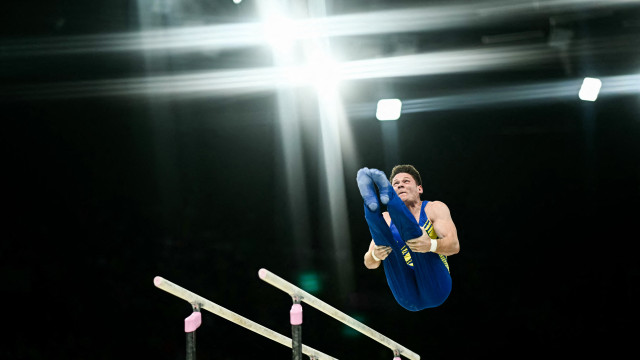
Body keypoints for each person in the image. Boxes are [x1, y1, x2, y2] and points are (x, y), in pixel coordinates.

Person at [356, 165, 460, 311]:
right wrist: (374, 255)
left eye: (406, 181)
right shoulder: (386, 218)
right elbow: (369, 263)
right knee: (386, 245)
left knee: (415, 238)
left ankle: (392, 201)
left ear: (419, 189)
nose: (400, 185)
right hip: (406, 297)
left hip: (436, 287)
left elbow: (454, 246)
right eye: (396, 184)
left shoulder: (434, 208)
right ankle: (369, 203)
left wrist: (430, 245)